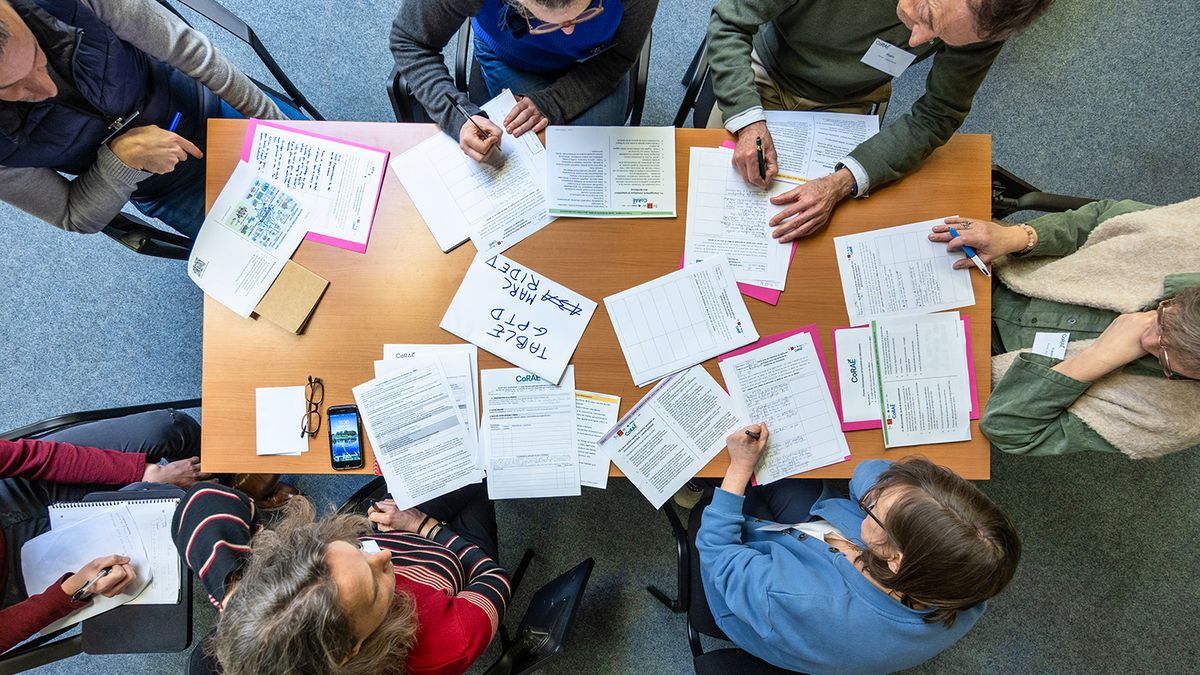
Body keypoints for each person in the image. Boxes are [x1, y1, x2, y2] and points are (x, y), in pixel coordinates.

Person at [706, 0, 1053, 242]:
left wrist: (841, 182)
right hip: (765, 68)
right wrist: (749, 121)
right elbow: (730, 22)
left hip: (851, 99)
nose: (917, 42)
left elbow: (939, 113)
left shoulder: (983, 22)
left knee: (828, 233)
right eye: (927, 16)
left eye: (939, 38)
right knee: (713, 206)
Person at [696, 423, 1020, 673]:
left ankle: (701, 485)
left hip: (746, 585)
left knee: (720, 481)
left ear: (895, 558)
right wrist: (901, 497)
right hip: (818, 539)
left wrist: (738, 469)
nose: (870, 495)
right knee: (778, 464)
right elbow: (869, 472)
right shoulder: (969, 578)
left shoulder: (804, 600)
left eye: (874, 508)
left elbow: (718, 554)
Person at [0, 0, 305, 239]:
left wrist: (279, 125)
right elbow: (72, 214)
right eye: (10, 87)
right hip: (171, 189)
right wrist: (119, 164)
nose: (46, 87)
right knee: (301, 261)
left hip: (212, 106)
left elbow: (193, 53)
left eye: (37, 55)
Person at [927, 199, 1200, 458]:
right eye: (1164, 317)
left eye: (1164, 355)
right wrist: (1020, 237)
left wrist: (1098, 357)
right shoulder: (1192, 239)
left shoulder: (1175, 420)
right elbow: (1105, 219)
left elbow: (1010, 431)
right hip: (997, 267)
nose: (1148, 335)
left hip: (976, 364)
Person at [174, 481, 510, 675]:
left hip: (397, 525)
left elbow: (200, 501)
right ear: (351, 651)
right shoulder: (449, 642)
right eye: (375, 587)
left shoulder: (257, 609)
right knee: (478, 476)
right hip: (461, 558)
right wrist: (424, 526)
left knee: (453, 460)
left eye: (356, 549)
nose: (383, 556)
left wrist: (239, 592)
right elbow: (494, 578)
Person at [0, 409, 205, 653]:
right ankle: (222, 508)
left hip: (16, 487)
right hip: (18, 584)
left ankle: (230, 483)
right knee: (160, 511)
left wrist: (145, 472)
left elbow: (27, 457)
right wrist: (71, 590)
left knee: (170, 429)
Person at [391, 0, 656, 162]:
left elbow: (621, 54)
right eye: (545, 22)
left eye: (585, 11)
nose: (569, 31)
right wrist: (458, 117)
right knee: (524, 165)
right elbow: (410, 41)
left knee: (590, 166)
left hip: (595, 63)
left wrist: (554, 102)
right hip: (511, 59)